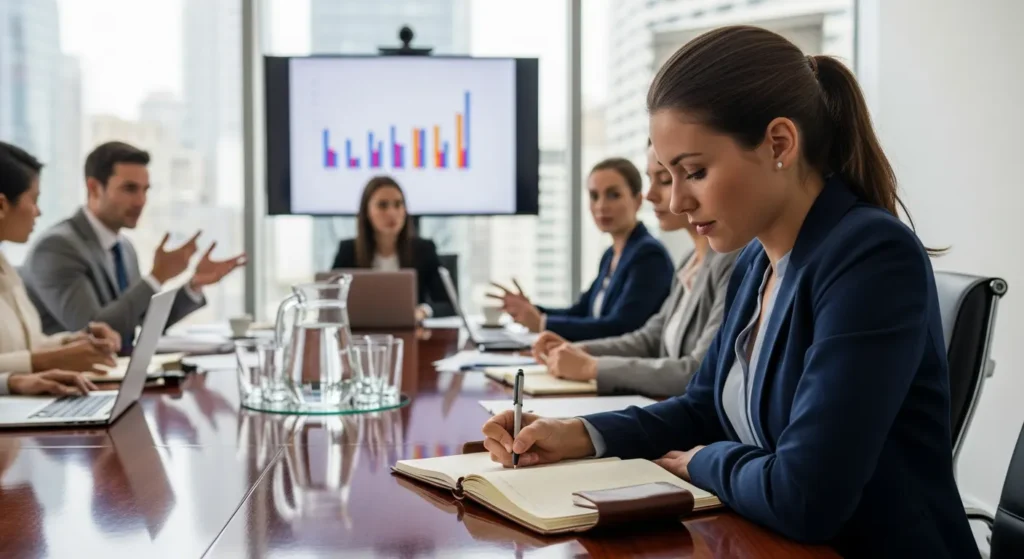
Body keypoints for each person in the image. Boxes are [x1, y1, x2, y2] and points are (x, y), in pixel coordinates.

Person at [481, 26, 977, 557]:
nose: (675, 203)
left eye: (693, 172)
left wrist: (702, 462)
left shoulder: (870, 257)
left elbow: (807, 496)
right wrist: (575, 433)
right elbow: (702, 408)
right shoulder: (753, 262)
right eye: (670, 176)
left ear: (779, 144)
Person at [532, 142, 737, 398]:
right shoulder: (688, 261)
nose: (650, 194)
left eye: (664, 180)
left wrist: (591, 366)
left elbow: (696, 372)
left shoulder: (724, 262)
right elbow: (650, 337)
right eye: (656, 179)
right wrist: (578, 350)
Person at [21, 141, 246, 353]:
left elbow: (140, 320)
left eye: (145, 190)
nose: (140, 201)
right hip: (73, 383)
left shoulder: (124, 247)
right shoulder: (56, 248)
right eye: (129, 189)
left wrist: (193, 285)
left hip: (117, 376)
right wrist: (157, 277)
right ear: (94, 188)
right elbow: (95, 331)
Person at [490, 158, 673, 342]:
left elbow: (621, 328)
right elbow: (581, 311)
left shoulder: (648, 255)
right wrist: (531, 310)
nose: (601, 206)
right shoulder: (611, 255)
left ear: (638, 201)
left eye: (613, 195)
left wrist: (542, 323)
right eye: (594, 196)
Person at [0, 141, 108, 397]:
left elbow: (27, 344)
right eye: (33, 199)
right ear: (2, 206)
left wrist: (73, 342)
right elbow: (27, 359)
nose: (38, 212)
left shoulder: (5, 265)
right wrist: (31, 369)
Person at [331, 176, 453, 320]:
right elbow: (332, 300)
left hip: (412, 335)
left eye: (398, 204)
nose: (392, 213)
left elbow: (448, 305)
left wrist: (423, 311)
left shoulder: (423, 249)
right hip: (362, 335)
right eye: (382, 205)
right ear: (367, 211)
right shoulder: (348, 250)